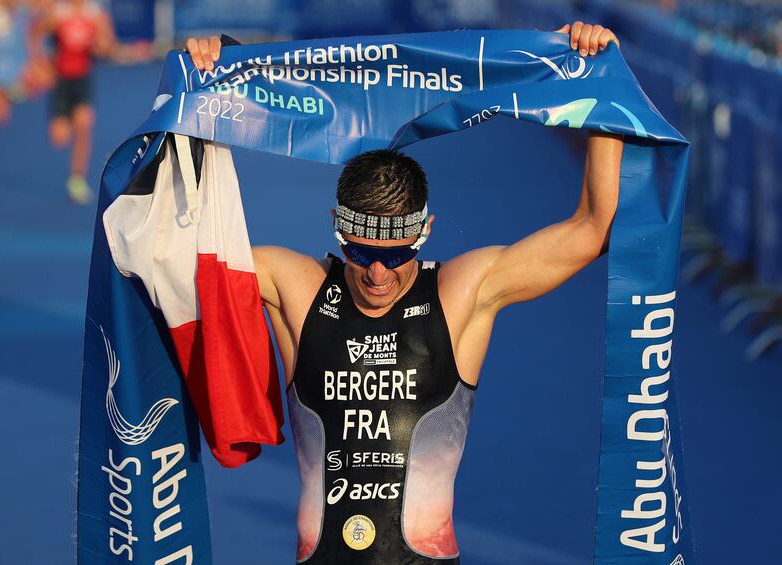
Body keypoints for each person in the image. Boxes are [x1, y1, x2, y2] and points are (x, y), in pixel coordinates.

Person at [187, 22, 623, 564]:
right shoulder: (294, 286)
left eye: (395, 256)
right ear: (336, 230)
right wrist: (203, 97)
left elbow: (592, 229)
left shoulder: (462, 292)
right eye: (359, 253)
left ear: (426, 232)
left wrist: (602, 83)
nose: (376, 272)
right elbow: (183, 263)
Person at [38, 0, 116, 204]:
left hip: (82, 80)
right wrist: (40, 64)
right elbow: (36, 34)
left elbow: (107, 46)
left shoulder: (94, 13)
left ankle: (77, 179)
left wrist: (100, 44)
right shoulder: (59, 12)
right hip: (61, 80)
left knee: (84, 127)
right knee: (60, 138)